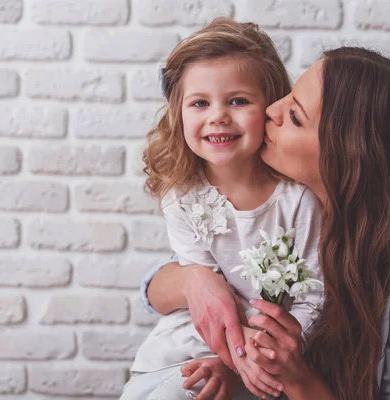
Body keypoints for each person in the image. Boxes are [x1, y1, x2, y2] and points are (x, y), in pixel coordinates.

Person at [142, 46, 390, 399]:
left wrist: (295, 378)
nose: (270, 110)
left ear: (347, 156)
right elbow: (157, 288)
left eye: (294, 116)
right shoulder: (321, 218)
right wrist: (194, 280)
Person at [120, 18, 325, 400]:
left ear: (270, 106)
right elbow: (203, 286)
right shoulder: (181, 195)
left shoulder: (298, 199)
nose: (218, 115)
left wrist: (255, 356)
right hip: (202, 334)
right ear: (178, 114)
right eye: (200, 103)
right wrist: (230, 350)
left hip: (274, 352)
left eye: (238, 100)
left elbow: (313, 296)